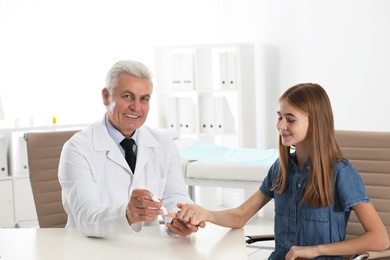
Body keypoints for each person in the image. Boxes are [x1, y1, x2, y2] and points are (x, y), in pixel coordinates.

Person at [171, 83, 389, 259]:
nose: (281, 125)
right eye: (279, 117)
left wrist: (316, 250)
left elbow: (380, 238)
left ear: (316, 123)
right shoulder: (281, 168)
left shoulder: (341, 173)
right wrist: (206, 214)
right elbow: (240, 216)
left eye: (290, 119)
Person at [58, 59, 204, 238]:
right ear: (106, 97)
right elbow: (86, 218)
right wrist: (127, 214)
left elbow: (176, 198)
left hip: (146, 249)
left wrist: (180, 219)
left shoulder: (164, 145)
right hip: (92, 250)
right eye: (127, 96)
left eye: (144, 99)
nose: (136, 107)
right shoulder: (77, 149)